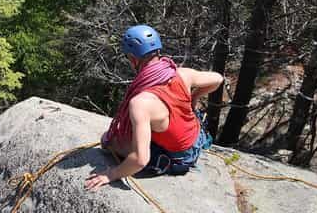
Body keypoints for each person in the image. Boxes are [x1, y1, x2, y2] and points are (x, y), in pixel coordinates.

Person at [85, 25, 223, 191]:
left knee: (108, 141)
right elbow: (218, 78)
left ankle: (164, 162)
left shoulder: (140, 103)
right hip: (196, 138)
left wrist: (110, 175)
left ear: (133, 58)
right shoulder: (181, 73)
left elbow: (140, 160)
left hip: (179, 157)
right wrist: (194, 96)